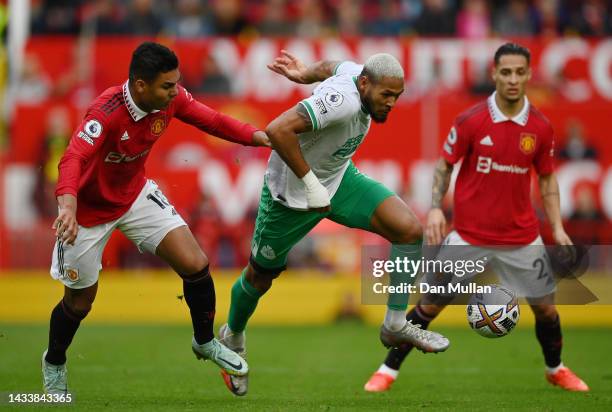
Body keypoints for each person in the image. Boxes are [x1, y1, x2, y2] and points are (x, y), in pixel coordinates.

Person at [41, 42, 270, 396]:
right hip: (86, 214)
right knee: (80, 303)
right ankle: (54, 361)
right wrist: (67, 208)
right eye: (167, 86)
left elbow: (213, 120)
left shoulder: (171, 99)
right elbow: (72, 158)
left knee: (196, 263)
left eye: (176, 84)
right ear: (140, 84)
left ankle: (204, 342)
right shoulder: (105, 112)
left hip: (134, 196)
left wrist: (259, 137)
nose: (175, 92)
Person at [217, 50, 450, 396]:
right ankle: (232, 337)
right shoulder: (341, 101)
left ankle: (395, 323)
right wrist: (311, 185)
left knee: (409, 230)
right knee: (259, 277)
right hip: (291, 196)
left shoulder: (358, 72)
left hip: (339, 182)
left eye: (397, 97)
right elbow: (278, 130)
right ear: (366, 84)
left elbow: (331, 66)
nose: (391, 103)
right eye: (386, 95)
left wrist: (305, 73)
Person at [364, 43, 589, 393]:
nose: (512, 79)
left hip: (522, 238)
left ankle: (555, 368)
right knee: (429, 305)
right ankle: (386, 371)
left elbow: (546, 178)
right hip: (469, 236)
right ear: (494, 74)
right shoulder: (471, 120)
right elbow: (444, 165)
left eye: (519, 72)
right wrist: (437, 206)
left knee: (546, 311)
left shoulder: (541, 128)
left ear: (528, 75)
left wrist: (557, 227)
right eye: (506, 72)